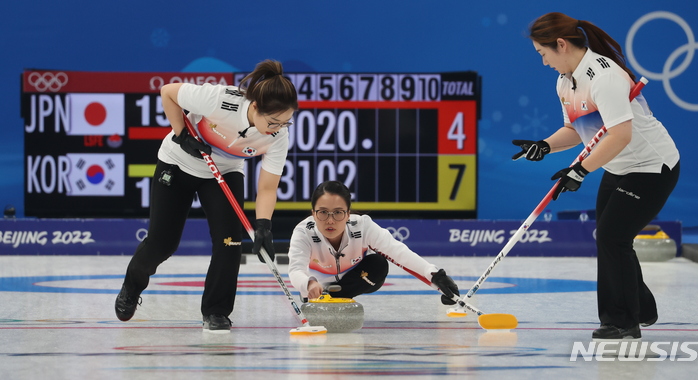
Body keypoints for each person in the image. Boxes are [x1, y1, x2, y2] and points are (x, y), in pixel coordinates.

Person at [513, 12, 680, 340]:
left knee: (611, 237)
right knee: (610, 237)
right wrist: (544, 146)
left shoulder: (604, 76)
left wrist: (580, 171)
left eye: (542, 53)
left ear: (560, 45)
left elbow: (619, 135)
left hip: (651, 168)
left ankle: (622, 322)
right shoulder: (565, 81)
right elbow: (576, 130)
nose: (544, 62)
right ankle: (642, 306)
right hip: (617, 166)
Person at [115, 59, 298, 333]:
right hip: (179, 161)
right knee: (162, 243)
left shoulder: (278, 136)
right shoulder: (221, 100)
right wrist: (181, 135)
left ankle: (216, 312)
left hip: (224, 171)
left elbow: (268, 187)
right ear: (255, 107)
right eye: (273, 122)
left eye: (286, 122)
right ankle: (132, 286)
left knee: (230, 244)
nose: (278, 128)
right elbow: (168, 92)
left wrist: (264, 225)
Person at [288, 180, 460, 306]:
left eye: (338, 212)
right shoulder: (303, 232)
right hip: (316, 287)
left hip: (354, 280)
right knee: (310, 283)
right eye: (323, 212)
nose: (330, 220)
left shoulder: (363, 226)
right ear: (313, 213)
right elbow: (296, 270)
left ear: (348, 214)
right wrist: (308, 284)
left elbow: (398, 253)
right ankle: (320, 298)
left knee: (378, 264)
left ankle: (333, 300)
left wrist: (436, 276)